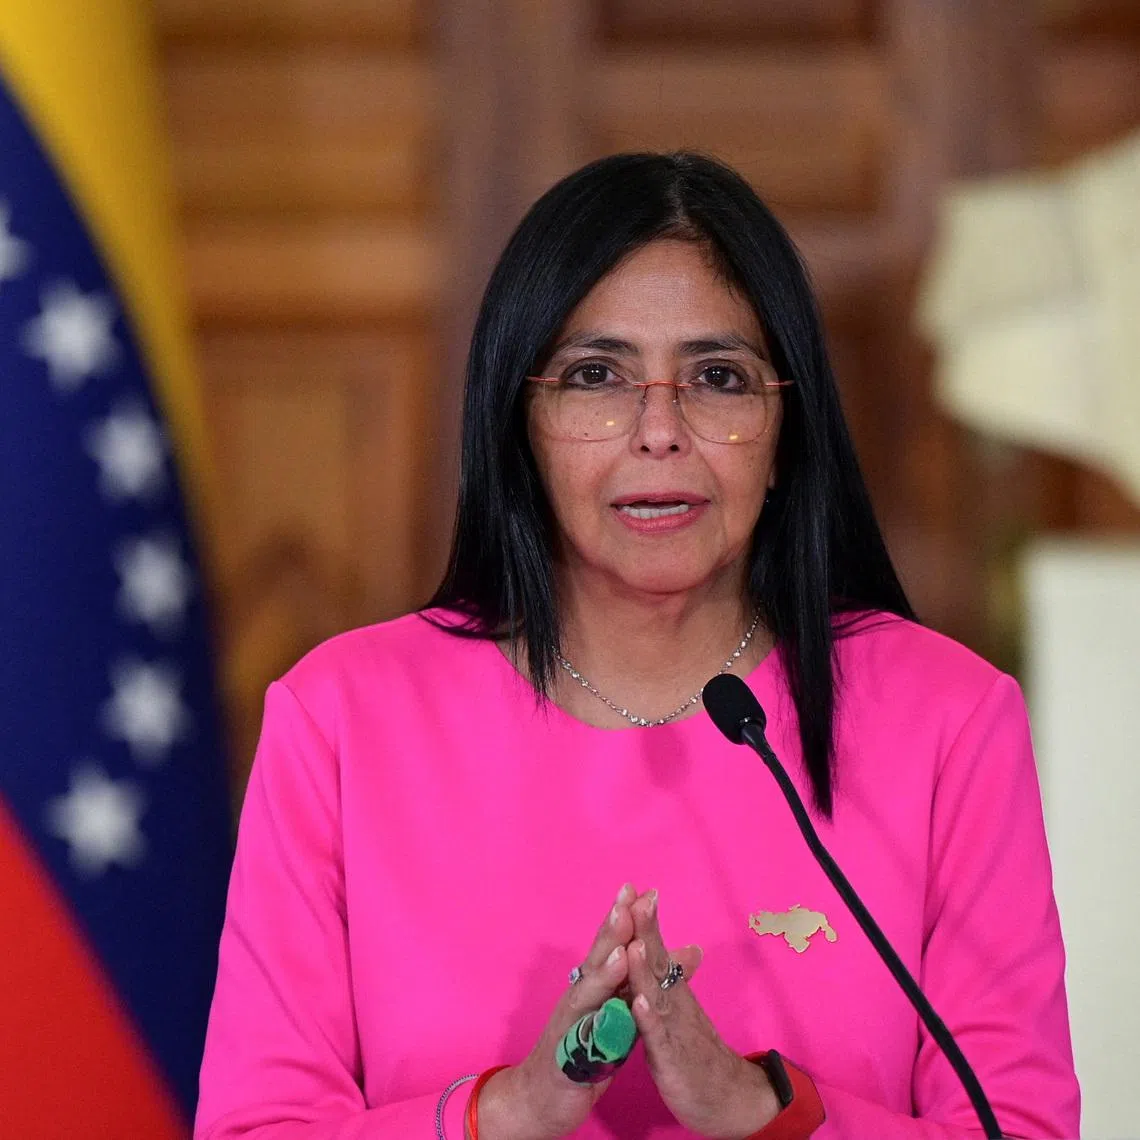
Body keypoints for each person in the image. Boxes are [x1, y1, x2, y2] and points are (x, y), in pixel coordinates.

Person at [194, 153, 1080, 1139]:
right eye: (596, 376)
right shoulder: (344, 718)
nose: (659, 430)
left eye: (717, 378)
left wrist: (760, 1113)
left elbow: (1021, 1128)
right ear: (518, 423)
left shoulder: (946, 718)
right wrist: (511, 1112)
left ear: (787, 426)